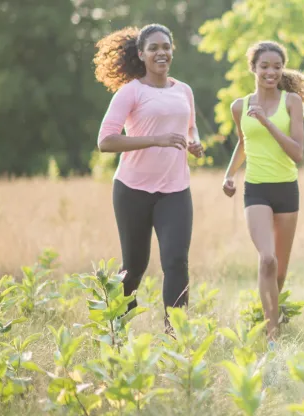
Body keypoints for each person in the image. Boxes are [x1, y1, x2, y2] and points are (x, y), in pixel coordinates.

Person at [94, 24, 203, 335]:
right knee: (134, 267)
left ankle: (175, 337)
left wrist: (194, 143)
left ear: (172, 51)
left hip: (176, 190)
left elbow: (190, 127)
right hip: (132, 190)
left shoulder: (184, 90)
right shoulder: (131, 92)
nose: (161, 52)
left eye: (166, 47)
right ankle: (117, 326)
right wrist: (156, 139)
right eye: (154, 47)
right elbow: (106, 141)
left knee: (176, 261)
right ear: (141, 54)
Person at [222, 41, 304, 344]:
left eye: (277, 66)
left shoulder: (291, 102)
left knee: (278, 271)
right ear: (252, 68)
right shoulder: (239, 106)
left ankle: (270, 315)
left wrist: (266, 122)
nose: (271, 71)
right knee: (267, 260)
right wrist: (229, 175)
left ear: (282, 69)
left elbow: (297, 153)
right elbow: (244, 144)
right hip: (256, 190)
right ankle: (272, 338)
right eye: (264, 66)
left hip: (286, 191)